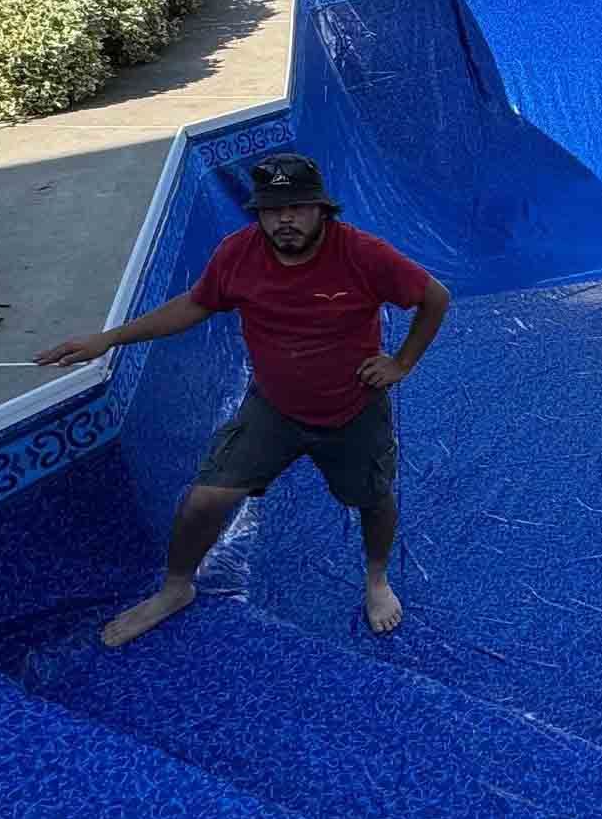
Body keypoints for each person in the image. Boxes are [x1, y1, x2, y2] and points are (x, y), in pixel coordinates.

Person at [37, 154, 450, 648]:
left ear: (322, 209)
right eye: (273, 210)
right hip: (274, 407)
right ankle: (175, 588)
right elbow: (195, 304)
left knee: (374, 500)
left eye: (298, 207)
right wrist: (110, 339)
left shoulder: (362, 254)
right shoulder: (239, 253)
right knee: (204, 498)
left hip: (352, 408)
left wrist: (402, 363)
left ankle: (377, 580)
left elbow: (434, 297)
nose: (286, 220)